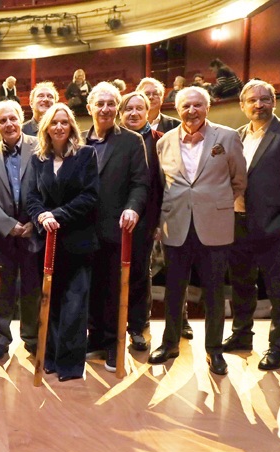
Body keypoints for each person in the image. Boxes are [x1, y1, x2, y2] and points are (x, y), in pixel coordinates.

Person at [148, 86, 246, 375]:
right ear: (177, 109)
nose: (191, 111)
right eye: (186, 106)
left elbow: (239, 180)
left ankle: (214, 350)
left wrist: (214, 204)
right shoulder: (164, 141)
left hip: (214, 226)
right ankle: (170, 344)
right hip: (176, 225)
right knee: (174, 290)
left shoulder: (227, 137)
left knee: (214, 292)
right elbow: (162, 184)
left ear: (207, 107)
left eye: (197, 105)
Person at [222, 80, 280, 370]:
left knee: (278, 291)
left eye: (264, 99)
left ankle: (279, 347)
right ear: (242, 105)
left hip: (274, 226)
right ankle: (241, 335)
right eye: (252, 100)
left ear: (274, 102)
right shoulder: (236, 136)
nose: (258, 105)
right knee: (241, 284)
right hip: (238, 223)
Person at [25, 103, 99, 381]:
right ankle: (52, 358)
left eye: (64, 122)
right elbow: (31, 196)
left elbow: (90, 196)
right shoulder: (38, 159)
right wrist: (40, 216)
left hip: (78, 241)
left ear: (71, 127)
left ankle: (70, 364)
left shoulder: (86, 154)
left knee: (75, 305)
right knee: (51, 302)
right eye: (54, 123)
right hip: (47, 241)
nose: (59, 127)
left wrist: (56, 214)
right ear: (46, 128)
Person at [82, 82, 149, 371]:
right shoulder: (78, 141)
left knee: (113, 289)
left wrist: (133, 208)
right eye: (100, 104)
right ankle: (95, 338)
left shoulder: (132, 141)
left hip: (116, 229)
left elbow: (140, 183)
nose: (106, 109)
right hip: (83, 230)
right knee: (90, 288)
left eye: (111, 104)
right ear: (90, 108)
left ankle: (112, 343)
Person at [0, 99, 42, 362]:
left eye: (12, 118)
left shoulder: (41, 147)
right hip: (3, 237)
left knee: (32, 289)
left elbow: (48, 186)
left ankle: (32, 338)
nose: (8, 124)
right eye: (2, 120)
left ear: (21, 119)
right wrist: (8, 225)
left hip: (33, 231)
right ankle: (0, 340)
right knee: (2, 291)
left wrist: (34, 222)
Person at [136, 77, 193, 339]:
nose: (151, 97)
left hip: (172, 208)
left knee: (176, 269)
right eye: (146, 93)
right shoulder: (128, 126)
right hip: (142, 212)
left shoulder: (175, 127)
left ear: (162, 97)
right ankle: (143, 320)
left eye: (156, 93)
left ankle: (182, 320)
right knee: (144, 270)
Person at [118, 91, 164, 352]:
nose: (133, 113)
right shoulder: (112, 138)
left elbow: (164, 186)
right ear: (121, 113)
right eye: (128, 109)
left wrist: (159, 221)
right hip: (114, 220)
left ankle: (137, 327)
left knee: (138, 274)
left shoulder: (159, 140)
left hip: (145, 220)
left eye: (139, 108)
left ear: (148, 112)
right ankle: (111, 329)